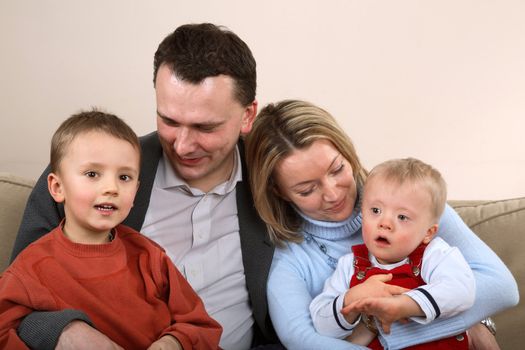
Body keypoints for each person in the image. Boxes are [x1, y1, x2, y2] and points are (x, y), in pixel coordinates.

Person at [11, 23, 278, 350]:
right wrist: (64, 332)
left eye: (204, 127)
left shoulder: (279, 178)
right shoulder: (80, 176)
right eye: (169, 121)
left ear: (248, 116)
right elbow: (18, 300)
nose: (182, 146)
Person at [244, 99, 519, 350]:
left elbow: (501, 288)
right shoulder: (288, 259)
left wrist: (389, 323)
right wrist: (462, 322)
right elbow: (303, 339)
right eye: (307, 190)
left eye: (337, 169)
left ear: (347, 152)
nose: (333, 194)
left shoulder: (408, 202)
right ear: (278, 191)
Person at [0, 110, 222, 350]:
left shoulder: (149, 255)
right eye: (92, 174)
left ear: (136, 191)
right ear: (57, 187)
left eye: (124, 177)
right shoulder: (30, 268)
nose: (111, 187)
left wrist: (172, 343)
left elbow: (201, 324)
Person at [310, 157, 475, 348]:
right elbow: (321, 323)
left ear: (427, 233)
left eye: (402, 216)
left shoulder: (435, 254)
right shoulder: (349, 265)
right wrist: (351, 298)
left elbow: (461, 289)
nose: (385, 223)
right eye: (375, 210)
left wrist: (404, 305)